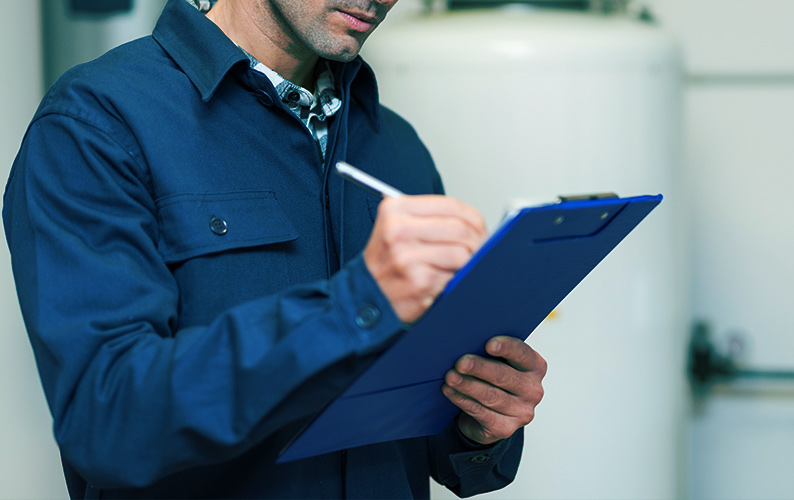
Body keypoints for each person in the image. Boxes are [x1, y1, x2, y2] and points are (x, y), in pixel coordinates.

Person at [2, 0, 547, 498]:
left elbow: (421, 433)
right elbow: (108, 422)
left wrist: (477, 418)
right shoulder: (98, 124)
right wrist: (355, 305)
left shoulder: (396, 147)